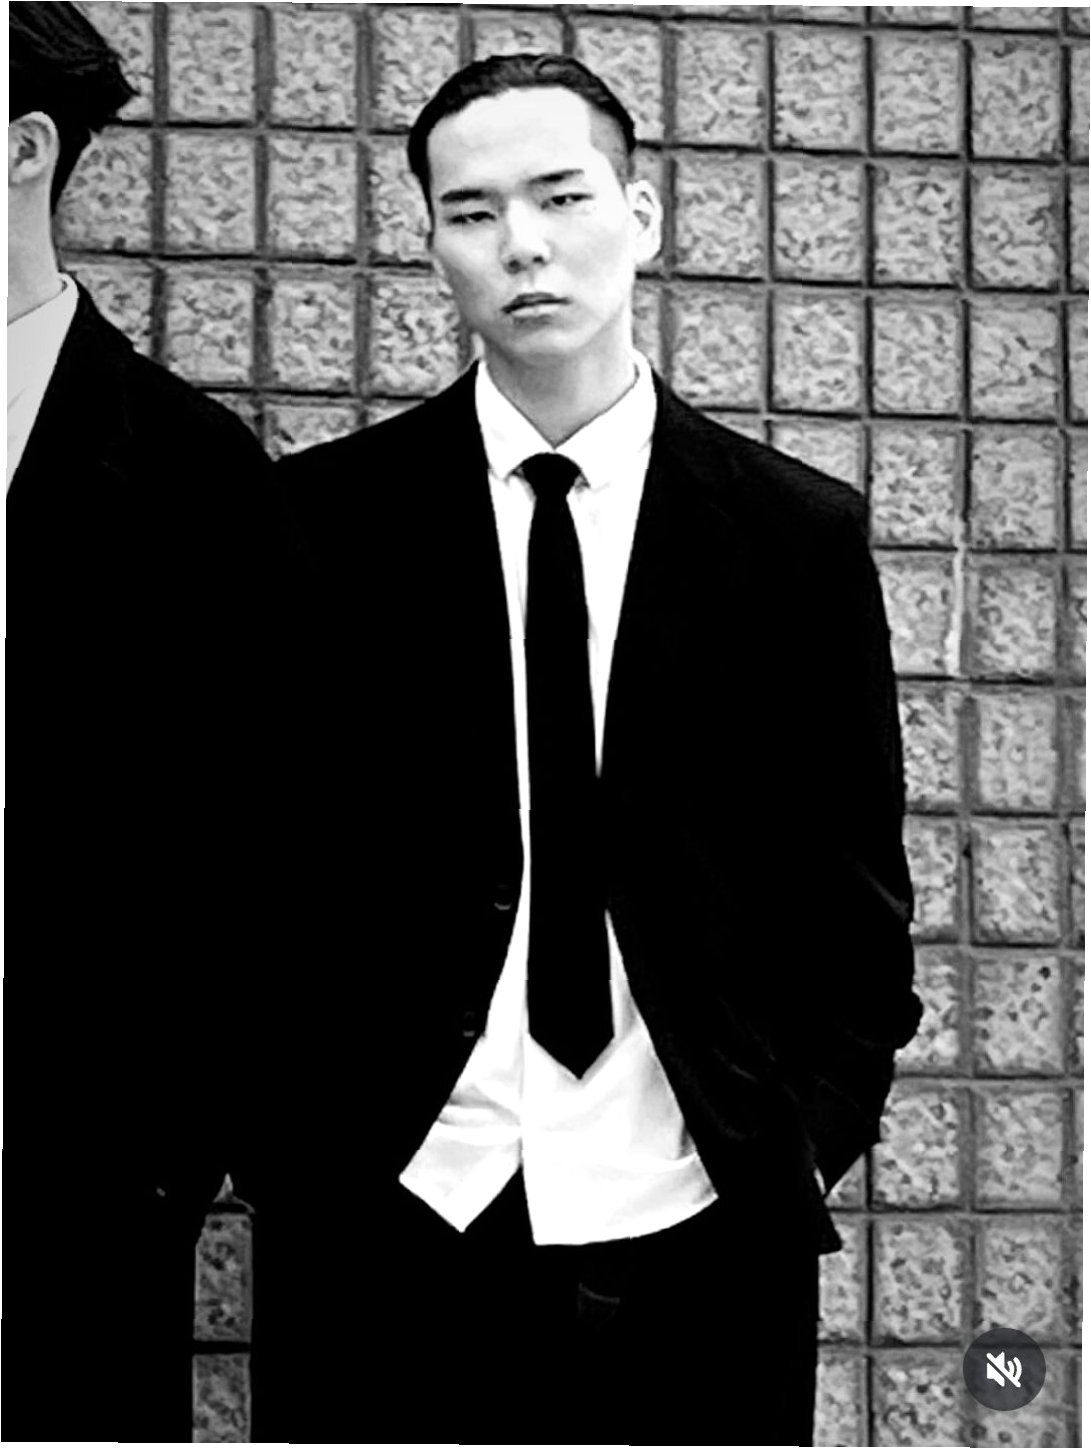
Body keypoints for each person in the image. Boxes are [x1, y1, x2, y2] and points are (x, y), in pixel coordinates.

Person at [273, 52, 923, 1446]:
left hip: (699, 1229)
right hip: (389, 1226)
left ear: (643, 213)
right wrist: (292, 1151)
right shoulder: (320, 526)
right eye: (472, 211)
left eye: (561, 195)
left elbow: (853, 897)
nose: (522, 243)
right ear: (433, 245)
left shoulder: (793, 536)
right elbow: (244, 867)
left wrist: (801, 1134)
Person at [5, 4, 311, 1440]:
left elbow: (258, 847)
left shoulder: (193, 477)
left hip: (74, 1196)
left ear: (23, 148)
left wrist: (165, 1157)